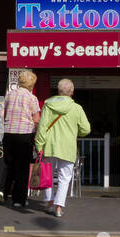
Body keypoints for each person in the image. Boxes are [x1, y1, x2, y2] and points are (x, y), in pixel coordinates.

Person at [33, 78, 92, 219]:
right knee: (64, 178)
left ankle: (49, 203)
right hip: (67, 147)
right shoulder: (77, 108)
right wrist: (76, 132)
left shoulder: (48, 105)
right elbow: (86, 129)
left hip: (50, 145)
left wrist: (39, 145)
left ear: (58, 91)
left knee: (47, 175)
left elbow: (42, 127)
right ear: (71, 92)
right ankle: (59, 207)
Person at [0, 69, 40, 208]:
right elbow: (36, 119)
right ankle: (19, 199)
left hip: (8, 133)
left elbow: (2, 113)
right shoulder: (32, 98)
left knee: (10, 165)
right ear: (31, 84)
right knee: (23, 168)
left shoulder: (9, 94)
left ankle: (3, 193)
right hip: (25, 134)